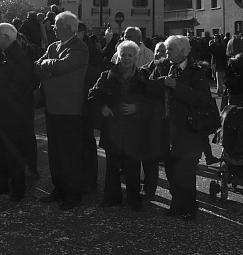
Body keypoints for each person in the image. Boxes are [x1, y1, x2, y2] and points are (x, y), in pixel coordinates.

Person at [146, 35, 215, 220]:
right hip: (167, 127)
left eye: (171, 50)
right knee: (170, 168)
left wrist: (177, 86)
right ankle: (176, 202)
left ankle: (189, 206)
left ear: (183, 52)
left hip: (188, 128)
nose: (166, 53)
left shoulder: (196, 71)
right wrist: (162, 82)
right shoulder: (163, 66)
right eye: (166, 50)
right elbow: (149, 88)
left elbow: (201, 98)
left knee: (186, 171)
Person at [89, 39, 156, 210]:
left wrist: (137, 107)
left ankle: (134, 200)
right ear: (118, 56)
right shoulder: (107, 75)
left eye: (130, 55)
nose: (126, 58)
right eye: (123, 55)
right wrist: (103, 106)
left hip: (134, 130)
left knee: (133, 166)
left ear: (136, 56)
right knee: (112, 166)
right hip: (113, 128)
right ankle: (112, 198)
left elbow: (152, 102)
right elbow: (93, 94)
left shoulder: (143, 77)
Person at [35, 11, 91, 211]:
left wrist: (47, 66)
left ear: (68, 27)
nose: (53, 28)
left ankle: (73, 193)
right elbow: (37, 67)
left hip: (69, 108)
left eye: (56, 25)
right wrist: (49, 68)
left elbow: (62, 66)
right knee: (55, 153)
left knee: (70, 154)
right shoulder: (53, 47)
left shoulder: (80, 47)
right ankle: (58, 188)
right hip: (53, 106)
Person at [0, 23, 37, 200]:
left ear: (7, 37)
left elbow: (17, 88)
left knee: (13, 152)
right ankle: (1, 184)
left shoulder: (19, 57)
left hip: (14, 114)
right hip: (0, 112)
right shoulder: (1, 55)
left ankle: (17, 188)